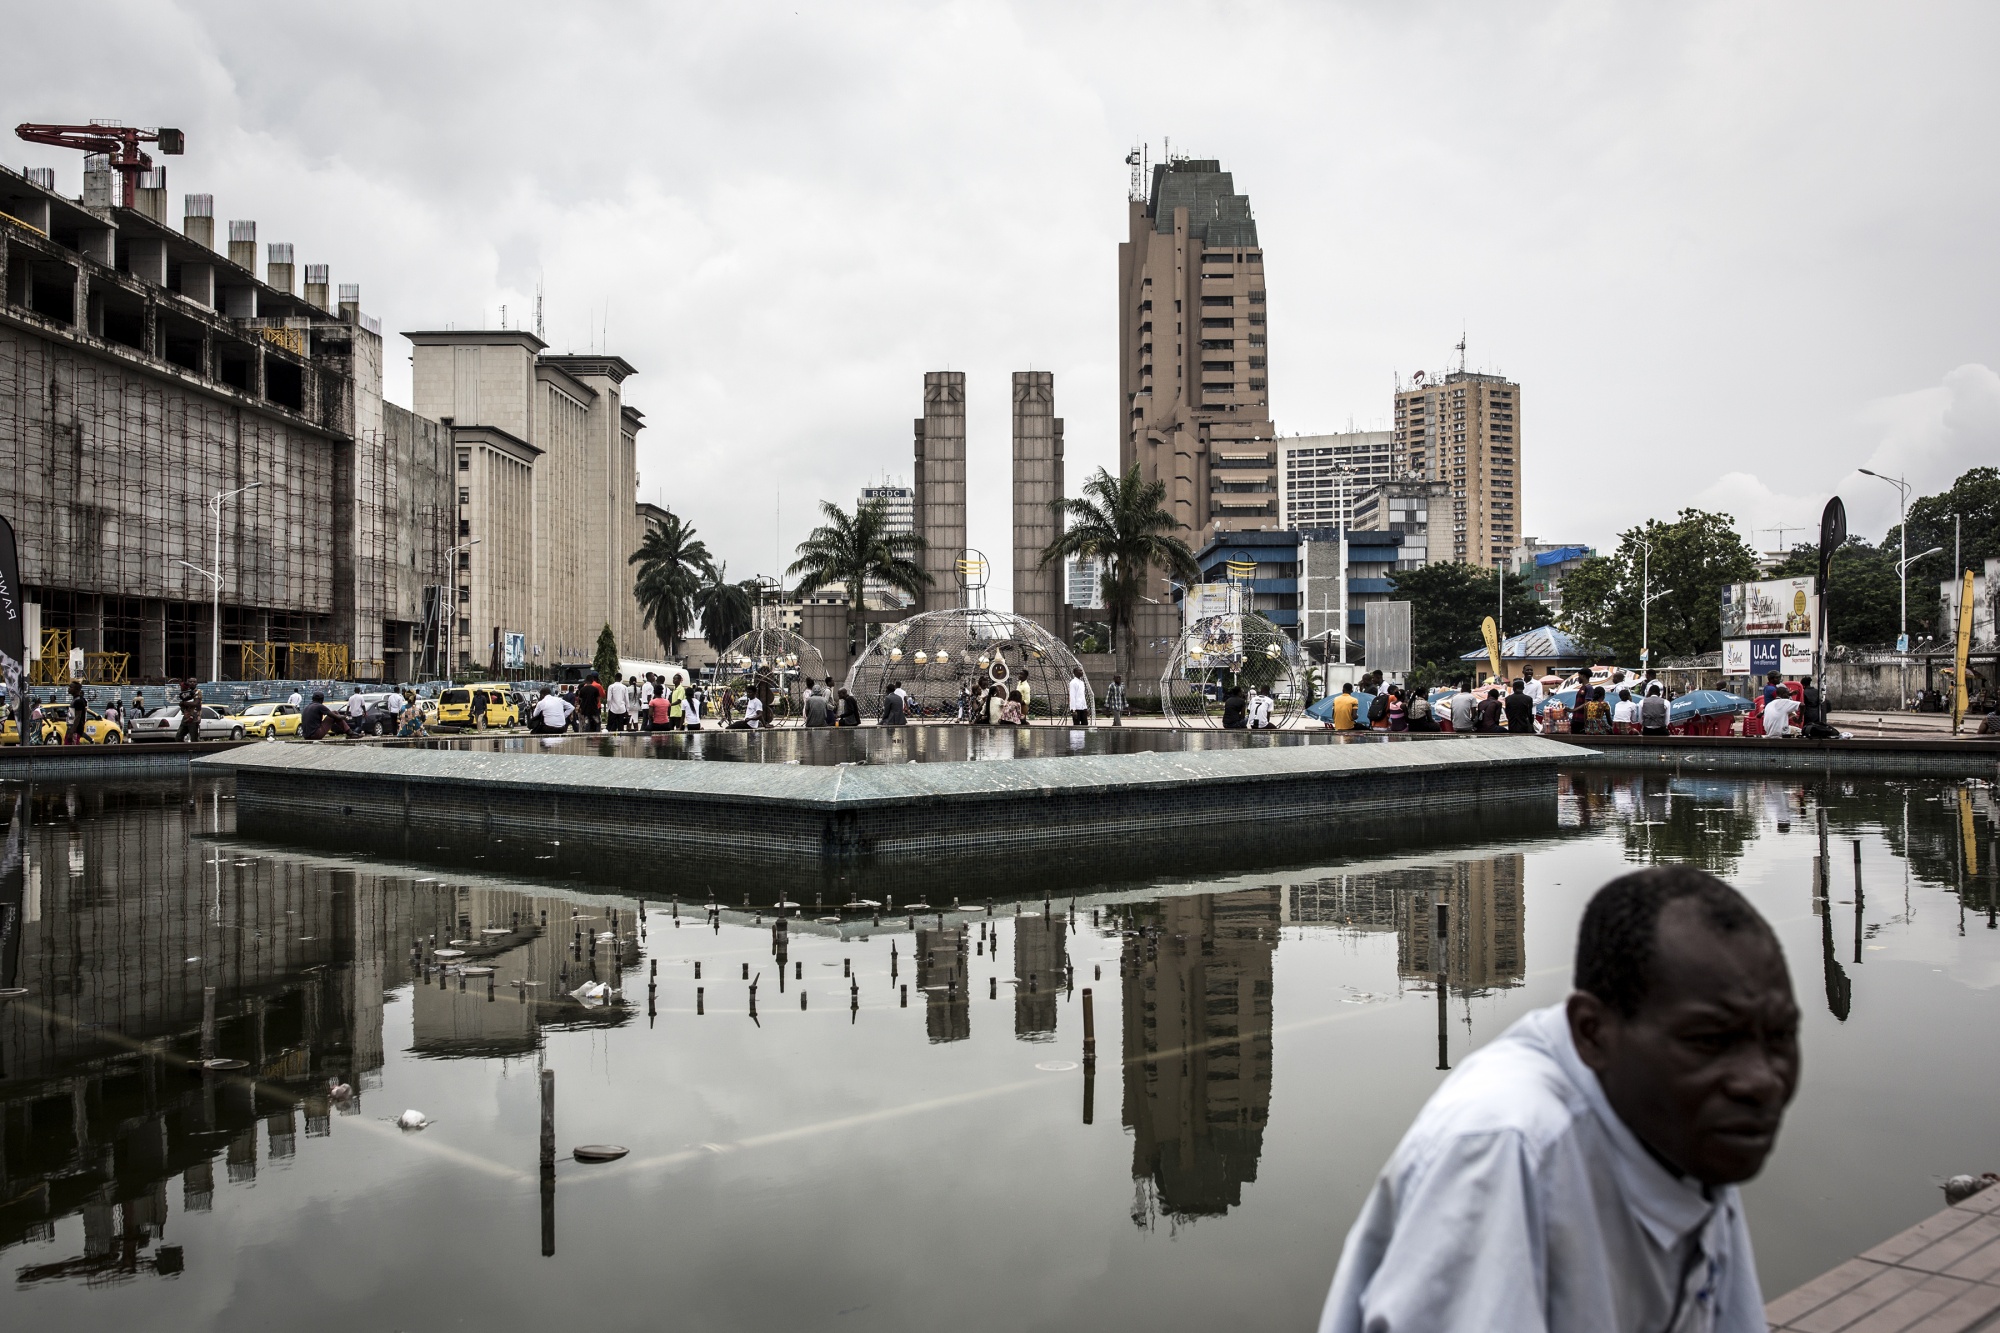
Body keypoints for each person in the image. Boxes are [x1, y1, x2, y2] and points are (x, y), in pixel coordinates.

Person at [1316, 866, 1798, 1333]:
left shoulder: (1691, 1124)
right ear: (1592, 1032)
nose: (1761, 1082)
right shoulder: (1507, 1148)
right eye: (1710, 1041)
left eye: (1779, 1037)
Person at [176, 678, 204, 744]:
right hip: (186, 716)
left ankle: (194, 752)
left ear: (196, 683)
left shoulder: (197, 691)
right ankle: (183, 751)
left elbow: (195, 703)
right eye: (190, 681)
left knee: (194, 738)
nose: (192, 683)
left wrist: (183, 703)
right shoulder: (186, 692)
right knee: (178, 737)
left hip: (194, 717)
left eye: (194, 682)